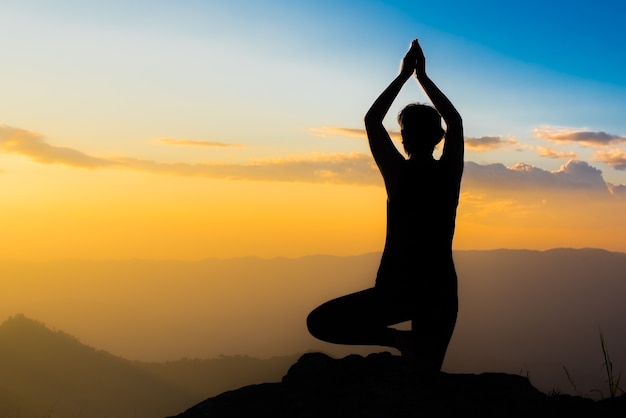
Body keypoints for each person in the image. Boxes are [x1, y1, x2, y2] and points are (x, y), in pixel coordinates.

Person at [307, 39, 464, 373]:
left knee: (320, 323)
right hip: (439, 291)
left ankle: (398, 341)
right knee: (426, 377)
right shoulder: (448, 174)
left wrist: (404, 74)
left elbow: (371, 121)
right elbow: (456, 121)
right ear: (439, 138)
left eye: (404, 131)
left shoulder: (399, 174)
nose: (403, 137)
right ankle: (406, 346)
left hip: (397, 289)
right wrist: (422, 77)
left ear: (405, 138)